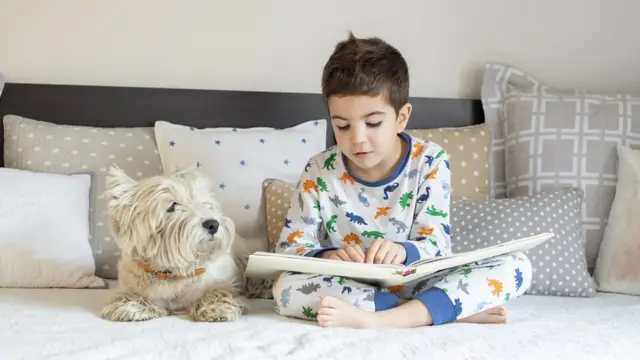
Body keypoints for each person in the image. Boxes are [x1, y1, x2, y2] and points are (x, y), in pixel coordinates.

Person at [272, 32, 532, 328]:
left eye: (372, 123)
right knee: (284, 289)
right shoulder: (319, 170)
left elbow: (436, 244)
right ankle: (437, 309)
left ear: (401, 117)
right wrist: (331, 255)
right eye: (342, 126)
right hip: (352, 285)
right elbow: (289, 250)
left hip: (418, 278)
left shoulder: (430, 160)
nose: (358, 139)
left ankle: (382, 319)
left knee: (516, 266)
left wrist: (403, 250)